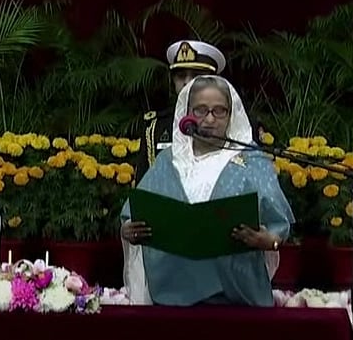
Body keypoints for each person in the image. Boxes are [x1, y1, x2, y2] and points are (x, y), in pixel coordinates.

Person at [120, 75, 294, 306]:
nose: (210, 119)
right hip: (172, 297)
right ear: (187, 113)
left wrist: (268, 241)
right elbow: (132, 215)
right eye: (201, 110)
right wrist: (128, 230)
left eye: (219, 110)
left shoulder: (252, 161)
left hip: (237, 298)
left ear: (231, 115)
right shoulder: (168, 161)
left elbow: (278, 226)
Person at [136, 40, 227, 184]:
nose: (187, 82)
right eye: (181, 76)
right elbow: (142, 186)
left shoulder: (232, 124)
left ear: (213, 80)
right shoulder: (155, 127)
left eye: (195, 75)